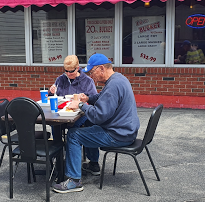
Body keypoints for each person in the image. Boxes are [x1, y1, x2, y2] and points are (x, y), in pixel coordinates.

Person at [52, 53, 140, 194]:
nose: (91, 76)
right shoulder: (118, 78)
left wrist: (81, 105)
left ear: (101, 68)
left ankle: (74, 180)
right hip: (126, 130)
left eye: (92, 72)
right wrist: (88, 98)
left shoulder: (113, 86)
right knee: (87, 126)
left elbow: (99, 116)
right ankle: (93, 165)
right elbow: (101, 97)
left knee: (73, 135)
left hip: (118, 134)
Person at [48, 55, 97, 128]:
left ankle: (71, 138)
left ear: (77, 68)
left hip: (80, 113)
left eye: (71, 71)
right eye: (66, 71)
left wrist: (85, 98)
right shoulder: (60, 79)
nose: (68, 74)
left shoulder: (87, 81)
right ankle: (57, 140)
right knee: (55, 123)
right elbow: (51, 98)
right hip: (62, 112)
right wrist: (51, 93)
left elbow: (94, 100)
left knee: (74, 124)